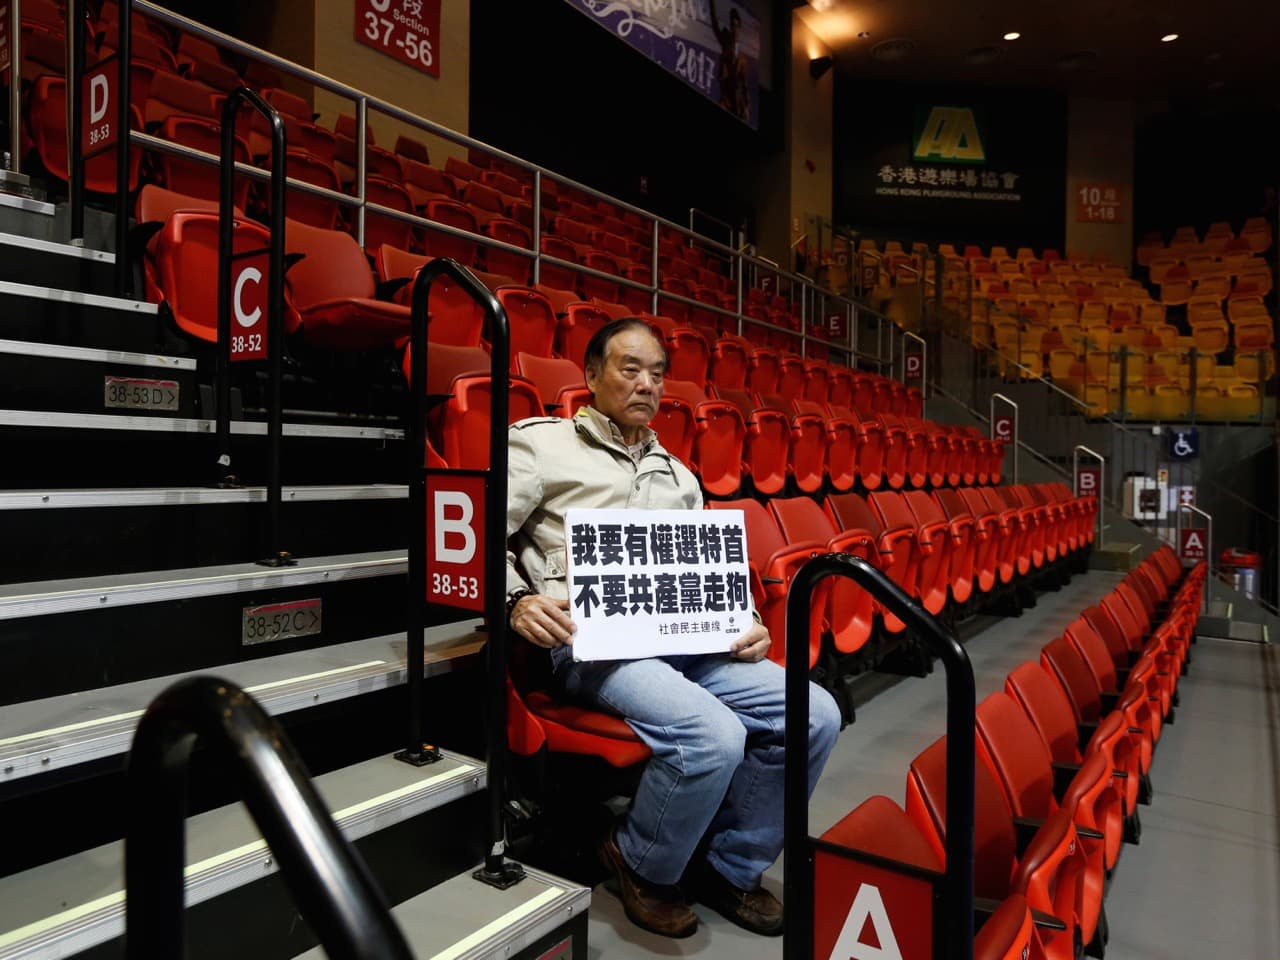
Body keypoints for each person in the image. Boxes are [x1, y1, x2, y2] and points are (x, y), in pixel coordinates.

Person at [505, 318, 841, 939]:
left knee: (815, 713)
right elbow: (474, 537)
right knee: (711, 735)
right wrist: (516, 600)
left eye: (657, 374)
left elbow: (706, 570)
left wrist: (748, 624)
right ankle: (641, 861)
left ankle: (728, 865)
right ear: (591, 375)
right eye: (629, 369)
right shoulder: (539, 446)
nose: (646, 384)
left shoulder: (679, 474)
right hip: (594, 646)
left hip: (685, 642)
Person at [710, 1, 750, 121]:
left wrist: (747, 106)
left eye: (736, 26)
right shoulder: (725, 42)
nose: (733, 29)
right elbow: (715, 24)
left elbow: (744, 84)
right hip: (725, 97)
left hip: (736, 102)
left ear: (739, 28)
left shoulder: (743, 59)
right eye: (732, 25)